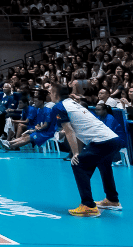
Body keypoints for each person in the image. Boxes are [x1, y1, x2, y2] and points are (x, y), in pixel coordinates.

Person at [48, 83, 123, 216]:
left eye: (50, 91)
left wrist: (76, 153)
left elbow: (69, 131)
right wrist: (78, 151)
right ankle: (112, 200)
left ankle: (88, 205)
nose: (49, 94)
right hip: (113, 140)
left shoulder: (59, 107)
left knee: (78, 164)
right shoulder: (72, 103)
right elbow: (77, 132)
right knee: (104, 165)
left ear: (55, 93)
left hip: (102, 141)